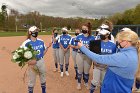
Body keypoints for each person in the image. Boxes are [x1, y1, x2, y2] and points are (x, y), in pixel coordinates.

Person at [77, 28, 140, 93]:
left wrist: (82, 47)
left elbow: (98, 58)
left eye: (120, 41)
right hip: (121, 87)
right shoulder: (134, 53)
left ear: (126, 42)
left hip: (113, 89)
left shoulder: (124, 56)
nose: (118, 42)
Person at [21, 26, 48, 93]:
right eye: (34, 31)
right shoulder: (26, 43)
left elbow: (43, 52)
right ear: (30, 32)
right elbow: (21, 55)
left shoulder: (41, 41)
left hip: (41, 61)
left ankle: (43, 91)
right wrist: (28, 62)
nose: (36, 32)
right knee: (32, 80)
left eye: (37, 31)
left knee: (43, 78)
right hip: (32, 64)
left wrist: (47, 48)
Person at [75, 22, 95, 90]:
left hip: (88, 56)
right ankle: (79, 83)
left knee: (86, 71)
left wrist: (88, 47)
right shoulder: (78, 36)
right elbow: (75, 47)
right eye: (82, 28)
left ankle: (86, 82)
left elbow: (93, 49)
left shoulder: (92, 38)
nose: (83, 30)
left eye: (85, 28)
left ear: (88, 29)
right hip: (80, 55)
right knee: (80, 70)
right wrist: (81, 47)